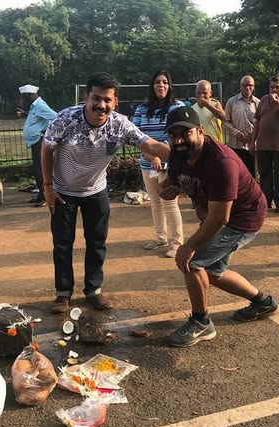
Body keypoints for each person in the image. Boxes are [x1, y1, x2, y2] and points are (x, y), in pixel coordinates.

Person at [41, 72, 171, 313]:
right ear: (86, 98)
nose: (101, 105)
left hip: (96, 190)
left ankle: (93, 290)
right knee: (62, 244)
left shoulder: (119, 124)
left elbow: (150, 144)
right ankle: (63, 293)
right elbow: (47, 148)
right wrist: (48, 187)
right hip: (63, 191)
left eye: (107, 100)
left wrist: (189, 157)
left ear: (115, 102)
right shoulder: (66, 119)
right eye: (96, 98)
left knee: (97, 243)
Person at [158, 106, 279, 347]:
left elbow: (220, 218)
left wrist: (189, 246)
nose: (179, 141)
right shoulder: (178, 154)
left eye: (185, 133)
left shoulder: (221, 162)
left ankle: (201, 322)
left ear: (200, 131)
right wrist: (167, 189)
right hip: (218, 216)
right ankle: (263, 303)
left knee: (192, 262)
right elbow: (171, 184)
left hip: (242, 218)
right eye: (173, 135)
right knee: (214, 273)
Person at [133, 70, 185, 258]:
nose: (161, 85)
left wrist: (159, 156)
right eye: (157, 82)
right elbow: (136, 136)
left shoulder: (177, 107)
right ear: (152, 86)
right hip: (147, 164)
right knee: (155, 202)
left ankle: (177, 243)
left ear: (169, 86)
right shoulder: (141, 109)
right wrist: (150, 156)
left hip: (170, 164)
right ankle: (160, 237)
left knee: (169, 202)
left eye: (164, 82)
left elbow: (179, 136)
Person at [250, 74, 279, 213]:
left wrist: (278, 105)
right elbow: (257, 122)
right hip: (263, 145)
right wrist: (253, 142)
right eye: (272, 87)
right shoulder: (264, 100)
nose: (274, 90)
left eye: (277, 87)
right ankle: (266, 202)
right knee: (265, 174)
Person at [17, 84, 57, 207]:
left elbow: (56, 116)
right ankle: (41, 195)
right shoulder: (34, 106)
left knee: (41, 170)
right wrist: (25, 115)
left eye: (24, 97)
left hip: (39, 141)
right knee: (37, 169)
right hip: (35, 142)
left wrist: (47, 132)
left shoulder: (40, 106)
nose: (23, 100)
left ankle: (45, 197)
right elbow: (38, 118)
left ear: (29, 95)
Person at [224, 75, 260, 177]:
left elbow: (260, 123)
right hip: (235, 145)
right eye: (245, 85)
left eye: (250, 85)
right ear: (240, 86)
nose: (247, 88)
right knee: (235, 174)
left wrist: (252, 136)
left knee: (251, 175)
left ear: (253, 87)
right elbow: (225, 121)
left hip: (252, 146)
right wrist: (236, 133)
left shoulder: (258, 103)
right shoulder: (232, 102)